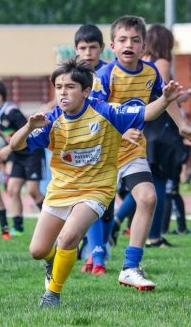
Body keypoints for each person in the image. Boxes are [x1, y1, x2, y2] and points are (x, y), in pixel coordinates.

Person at [13, 57, 184, 307]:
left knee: (68, 238)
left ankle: (52, 294)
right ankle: (53, 261)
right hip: (61, 190)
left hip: (96, 189)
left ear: (85, 91)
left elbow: (145, 112)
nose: (63, 92)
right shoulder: (51, 120)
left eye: (70, 87)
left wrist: (166, 99)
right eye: (59, 87)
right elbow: (16, 145)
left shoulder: (105, 111)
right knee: (38, 251)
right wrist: (28, 127)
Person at [91, 15, 191, 290]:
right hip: (100, 153)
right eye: (123, 40)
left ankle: (130, 267)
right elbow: (93, 115)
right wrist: (118, 131)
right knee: (89, 214)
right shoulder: (104, 76)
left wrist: (182, 125)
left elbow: (163, 100)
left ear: (143, 46)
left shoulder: (151, 72)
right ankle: (65, 249)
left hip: (131, 152)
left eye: (135, 40)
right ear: (112, 46)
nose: (129, 44)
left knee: (148, 198)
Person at [141, 24, 189, 245]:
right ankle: (153, 235)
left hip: (145, 124)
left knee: (142, 180)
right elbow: (162, 94)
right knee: (157, 178)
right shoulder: (161, 63)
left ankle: (121, 228)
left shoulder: (142, 61)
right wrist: (181, 99)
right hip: (159, 126)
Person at [73, 24, 113, 275]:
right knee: (89, 199)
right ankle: (96, 257)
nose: (88, 52)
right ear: (76, 49)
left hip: (110, 145)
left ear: (101, 48)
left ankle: (98, 248)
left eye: (92, 47)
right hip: (83, 148)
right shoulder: (73, 75)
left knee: (107, 208)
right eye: (83, 48)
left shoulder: (110, 73)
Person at [0, 79, 45, 236]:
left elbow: (27, 134)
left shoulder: (12, 112)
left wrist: (7, 148)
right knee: (12, 189)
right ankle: (18, 227)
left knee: (33, 191)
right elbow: (1, 132)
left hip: (32, 153)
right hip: (18, 155)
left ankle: (51, 220)